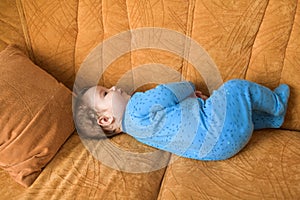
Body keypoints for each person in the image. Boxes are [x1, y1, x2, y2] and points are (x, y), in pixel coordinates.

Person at [74, 79, 290, 161]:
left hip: (217, 150)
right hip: (218, 128)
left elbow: (178, 118)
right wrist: (187, 87)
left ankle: (270, 121)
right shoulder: (136, 106)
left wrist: (189, 101)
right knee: (235, 88)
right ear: (105, 119)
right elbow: (166, 93)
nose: (113, 88)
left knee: (228, 107)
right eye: (105, 93)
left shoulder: (137, 131)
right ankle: (277, 105)